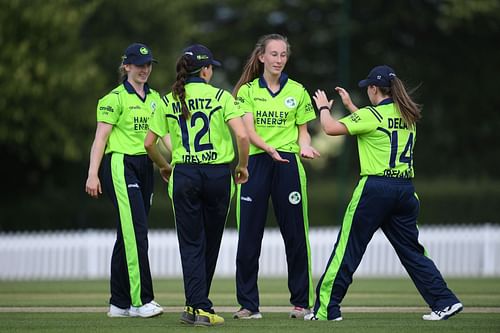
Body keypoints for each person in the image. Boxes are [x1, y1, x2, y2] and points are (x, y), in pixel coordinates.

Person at [306, 65, 463, 321]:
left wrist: (324, 107)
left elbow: (330, 128)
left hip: (375, 189)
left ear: (373, 88)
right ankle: (445, 301)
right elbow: (376, 129)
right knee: (412, 252)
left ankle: (326, 309)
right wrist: (351, 108)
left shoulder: (371, 115)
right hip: (404, 191)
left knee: (348, 249)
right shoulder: (407, 116)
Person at [144, 44, 249, 327]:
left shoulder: (167, 101)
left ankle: (194, 306)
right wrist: (241, 166)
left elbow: (148, 144)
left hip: (185, 174)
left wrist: (165, 166)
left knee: (191, 243)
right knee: (210, 243)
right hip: (217, 175)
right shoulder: (221, 96)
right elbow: (242, 137)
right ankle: (200, 306)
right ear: (205, 70)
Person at [232, 33, 320, 320]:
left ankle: (301, 302)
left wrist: (305, 145)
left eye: (283, 55)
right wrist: (269, 148)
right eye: (273, 54)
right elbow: (248, 131)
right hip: (257, 163)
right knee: (248, 236)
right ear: (261, 57)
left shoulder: (297, 90)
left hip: (288, 165)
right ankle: (248, 305)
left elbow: (303, 131)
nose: (279, 60)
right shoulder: (247, 92)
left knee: (295, 235)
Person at [85, 42, 164, 318]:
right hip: (121, 164)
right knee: (136, 232)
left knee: (127, 234)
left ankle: (118, 303)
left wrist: (175, 162)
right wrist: (93, 173)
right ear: (126, 66)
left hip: (146, 166)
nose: (144, 69)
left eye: (148, 64)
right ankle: (141, 300)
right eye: (139, 64)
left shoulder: (156, 99)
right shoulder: (114, 98)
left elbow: (166, 138)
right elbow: (101, 139)